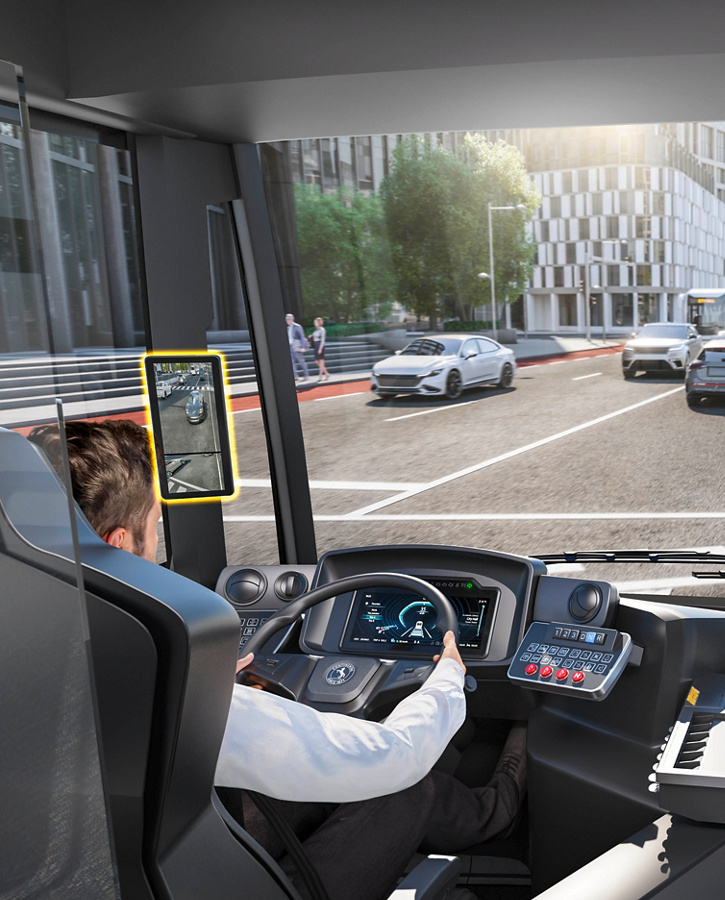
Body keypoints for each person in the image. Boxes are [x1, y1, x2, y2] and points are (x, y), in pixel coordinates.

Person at [28, 419, 527, 900]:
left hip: (109, 870)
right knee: (409, 789)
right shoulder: (169, 696)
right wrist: (447, 679)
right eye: (155, 526)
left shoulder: (36, 662)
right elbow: (394, 753)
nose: (158, 544)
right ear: (118, 546)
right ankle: (500, 809)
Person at [285, 312, 309, 382]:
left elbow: (302, 337)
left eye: (289, 319)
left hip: (297, 346)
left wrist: (303, 346)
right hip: (290, 346)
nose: (287, 321)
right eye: (286, 319)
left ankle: (306, 374)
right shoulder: (287, 328)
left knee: (301, 361)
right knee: (292, 362)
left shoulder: (297, 326)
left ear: (292, 319)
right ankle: (295, 376)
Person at [309, 316, 330, 382]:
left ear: (319, 322)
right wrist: (311, 337)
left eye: (316, 322)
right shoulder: (316, 329)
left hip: (320, 346)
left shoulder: (322, 329)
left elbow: (323, 340)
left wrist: (320, 349)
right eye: (314, 322)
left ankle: (320, 376)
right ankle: (326, 373)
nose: (314, 323)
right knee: (317, 361)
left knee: (321, 362)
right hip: (315, 345)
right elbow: (315, 338)